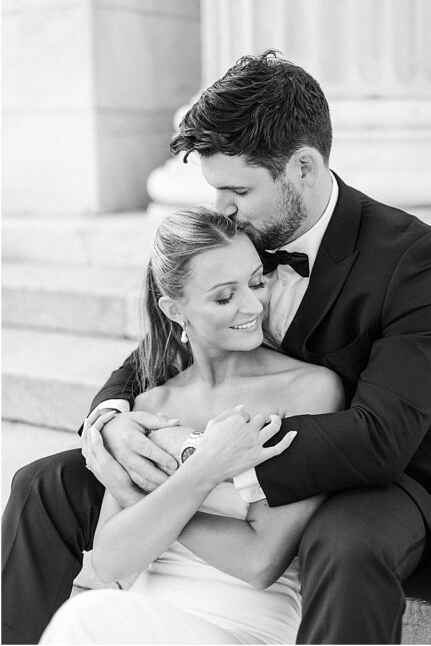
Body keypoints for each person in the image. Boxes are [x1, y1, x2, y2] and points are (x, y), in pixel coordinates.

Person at [2, 51, 431, 644]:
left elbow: (385, 435)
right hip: (222, 456)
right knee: (43, 481)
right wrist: (113, 418)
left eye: (237, 189)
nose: (222, 207)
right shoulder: (242, 234)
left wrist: (201, 462)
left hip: (378, 476)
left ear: (302, 167)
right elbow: (170, 332)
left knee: (349, 544)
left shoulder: (413, 255)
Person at [42, 208, 343, 643]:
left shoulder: (307, 391)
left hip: (241, 626)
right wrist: (204, 472)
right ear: (174, 309)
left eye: (257, 282)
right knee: (90, 616)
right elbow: (109, 560)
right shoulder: (150, 404)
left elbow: (260, 560)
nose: (252, 305)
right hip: (143, 613)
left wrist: (148, 496)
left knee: (84, 618)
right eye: (224, 297)